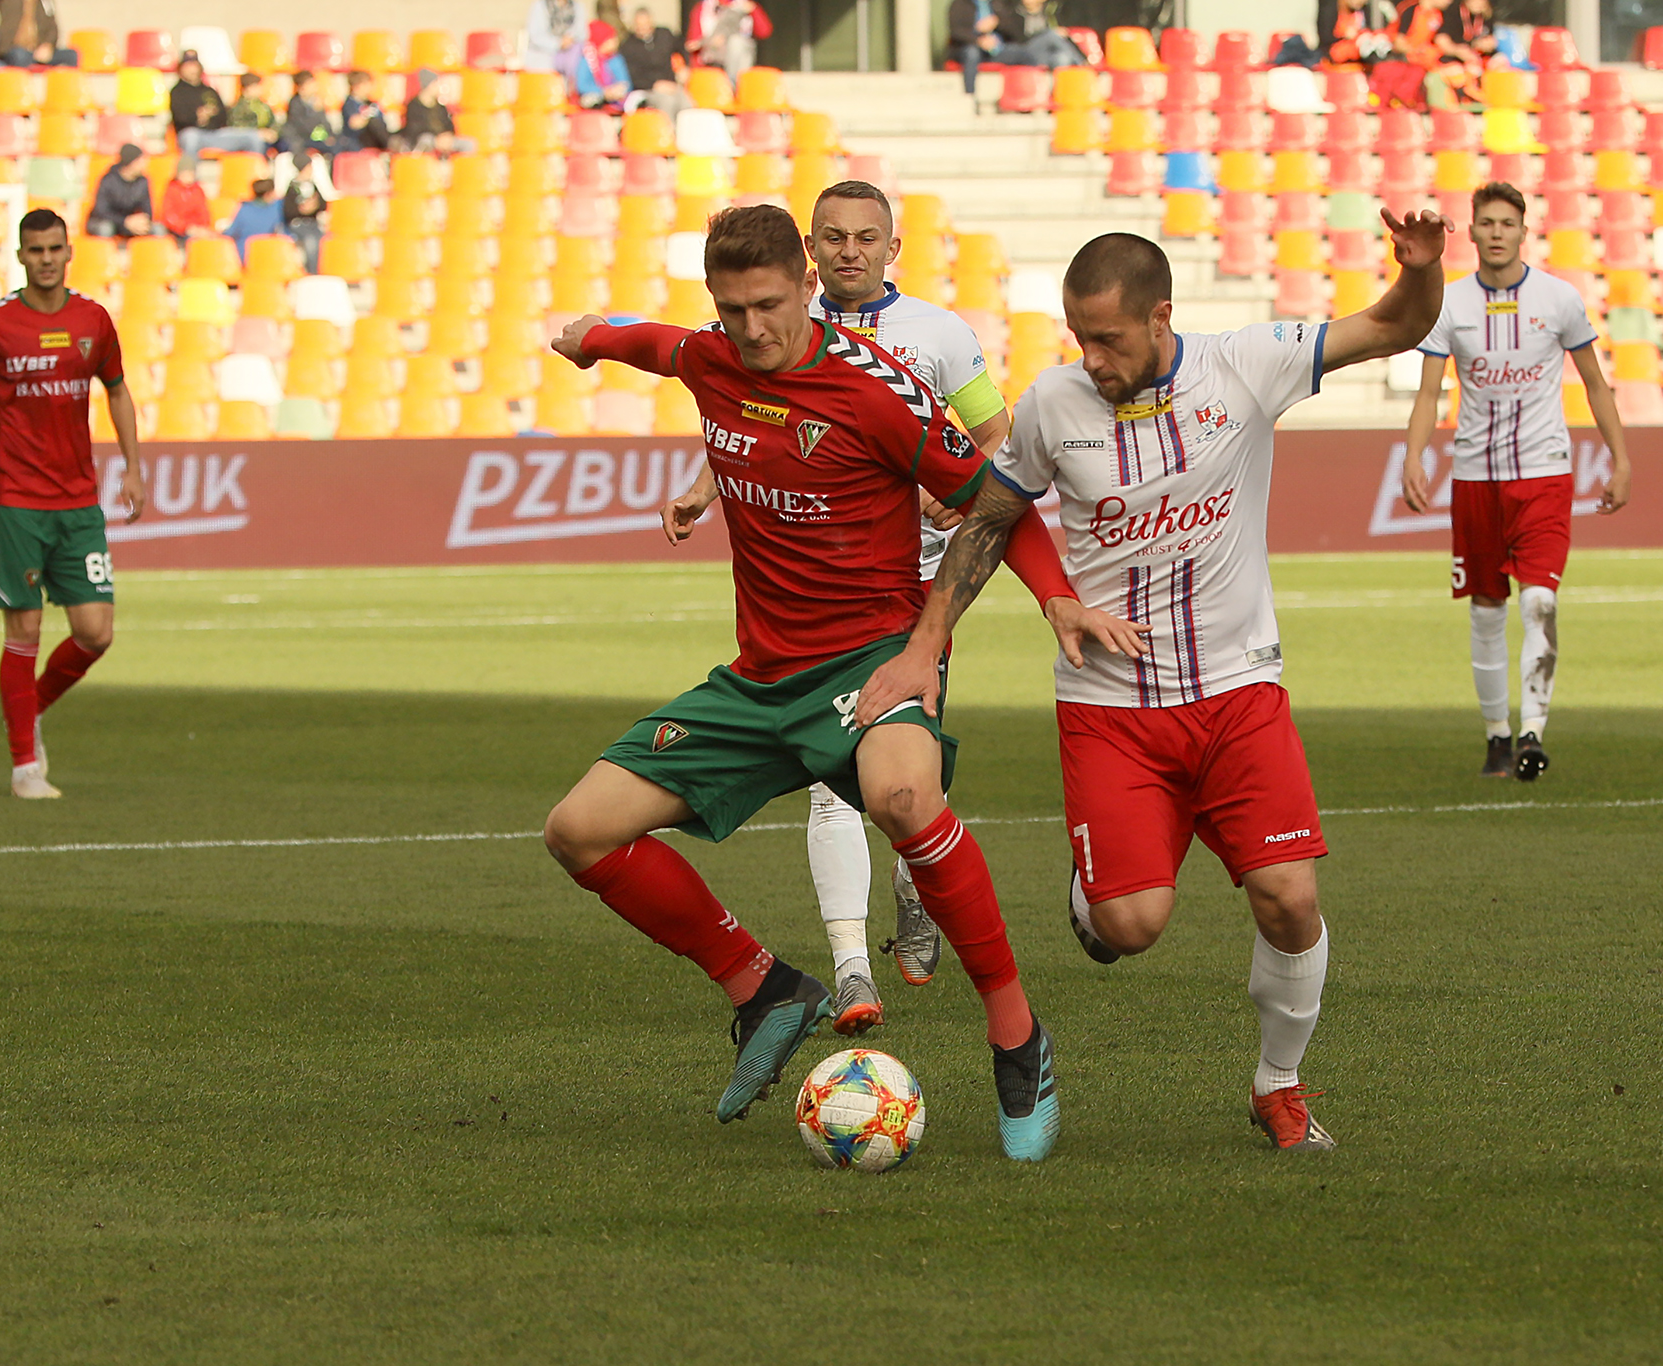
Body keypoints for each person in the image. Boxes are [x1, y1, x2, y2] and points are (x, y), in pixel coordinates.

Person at [853, 211, 1453, 1154]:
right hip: (1110, 710)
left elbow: (1395, 325)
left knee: (1290, 898)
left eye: (1108, 338)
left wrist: (1420, 270)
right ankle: (1097, 890)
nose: (1090, 358)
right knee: (1129, 927)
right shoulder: (1052, 405)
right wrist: (926, 644)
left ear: (1161, 317)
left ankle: (1279, 1085)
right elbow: (990, 518)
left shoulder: (1246, 365)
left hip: (1238, 692)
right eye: (1078, 337)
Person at [543, 204, 1117, 1160]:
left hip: (871, 659)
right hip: (759, 680)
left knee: (903, 798)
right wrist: (593, 340)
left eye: (769, 305)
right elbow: (656, 344)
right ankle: (765, 987)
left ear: (807, 286)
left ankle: (1018, 1039)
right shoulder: (713, 357)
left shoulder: (875, 390)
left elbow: (996, 504)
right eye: (732, 310)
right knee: (578, 830)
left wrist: (1055, 599)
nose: (752, 329)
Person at [658, 180, 1016, 1035]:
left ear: (893, 249)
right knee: (831, 787)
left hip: (915, 595)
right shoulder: (774, 324)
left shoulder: (937, 334)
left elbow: (994, 433)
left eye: (865, 237)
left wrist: (957, 494)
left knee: (902, 791)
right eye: (833, 236)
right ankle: (852, 966)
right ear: (811, 253)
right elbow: (751, 422)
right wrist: (707, 488)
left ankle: (915, 882)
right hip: (813, 599)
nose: (850, 249)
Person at [0, 208, 145, 800]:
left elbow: (117, 391)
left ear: (69, 253)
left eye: (54, 249)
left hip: (78, 503)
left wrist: (133, 468)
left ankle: (27, 708)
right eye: (35, 250)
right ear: (20, 257)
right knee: (25, 627)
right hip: (13, 500)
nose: (46, 260)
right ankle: (24, 769)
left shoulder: (93, 320)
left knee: (96, 632)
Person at [1402, 182, 1631, 781]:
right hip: (1476, 477)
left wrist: (1620, 458)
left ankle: (1532, 732)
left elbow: (1596, 383)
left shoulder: (1558, 299)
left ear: (1524, 232)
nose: (1497, 233)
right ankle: (1496, 737)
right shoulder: (1449, 305)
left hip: (1544, 474)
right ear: (1473, 231)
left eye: (1508, 223)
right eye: (1488, 223)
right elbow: (1428, 394)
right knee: (1485, 610)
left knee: (1539, 601)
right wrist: (1414, 456)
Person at [170, 54, 265, 161]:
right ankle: (189, 171)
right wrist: (199, 116)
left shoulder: (209, 91)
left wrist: (211, 114)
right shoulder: (177, 92)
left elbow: (223, 115)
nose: (192, 69)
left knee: (252, 137)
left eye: (194, 65)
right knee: (191, 137)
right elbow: (180, 118)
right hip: (193, 133)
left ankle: (256, 170)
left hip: (215, 133)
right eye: (188, 66)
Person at [617, 8, 687, 113]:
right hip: (648, 90)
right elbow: (633, 77)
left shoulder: (665, 34)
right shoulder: (627, 46)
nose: (643, 28)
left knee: (686, 103)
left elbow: (682, 47)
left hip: (672, 85)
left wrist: (685, 67)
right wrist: (655, 85)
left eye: (646, 24)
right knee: (668, 102)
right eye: (639, 25)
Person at [687, 0, 771, 84]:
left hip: (740, 62)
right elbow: (693, 45)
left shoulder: (744, 5)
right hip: (712, 62)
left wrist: (753, 10)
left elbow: (764, 32)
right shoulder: (703, 9)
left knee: (737, 42)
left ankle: (736, 84)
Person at [991, 0, 1084, 70]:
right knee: (1050, 34)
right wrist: (1044, 35)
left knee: (1062, 57)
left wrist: (1059, 33)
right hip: (1026, 50)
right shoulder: (1015, 13)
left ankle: (1061, 88)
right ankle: (1082, 63)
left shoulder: (1049, 13)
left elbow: (1063, 39)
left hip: (1044, 54)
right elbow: (1017, 39)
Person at [85, 144, 154, 238]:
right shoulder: (108, 180)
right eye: (140, 161)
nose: (145, 164)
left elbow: (148, 211)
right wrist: (124, 221)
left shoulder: (143, 182)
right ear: (131, 162)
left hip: (130, 223)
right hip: (106, 221)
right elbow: (101, 211)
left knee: (157, 229)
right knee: (106, 229)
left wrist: (140, 221)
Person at [398, 69, 473, 155]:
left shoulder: (440, 107)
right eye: (436, 83)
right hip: (426, 139)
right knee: (426, 140)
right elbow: (414, 130)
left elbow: (449, 125)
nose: (439, 87)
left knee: (469, 144)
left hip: (443, 139)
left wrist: (447, 136)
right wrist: (437, 139)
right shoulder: (413, 106)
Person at [0, 0, 77, 68]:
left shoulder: (45, 2)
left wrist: (48, 45)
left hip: (37, 51)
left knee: (72, 55)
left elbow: (52, 28)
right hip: (13, 49)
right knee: (20, 55)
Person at [523, 0, 592, 86]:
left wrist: (570, 38)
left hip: (570, 61)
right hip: (542, 61)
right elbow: (535, 36)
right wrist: (558, 43)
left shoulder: (577, 7)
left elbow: (582, 33)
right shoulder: (541, 5)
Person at [574, 20, 633, 109]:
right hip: (597, 96)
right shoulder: (587, 60)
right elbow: (582, 85)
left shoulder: (616, 59)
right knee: (589, 100)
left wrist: (617, 90)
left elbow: (625, 81)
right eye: (611, 39)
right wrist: (603, 92)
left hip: (616, 97)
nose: (616, 42)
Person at [281, 160, 328, 272]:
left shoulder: (313, 186)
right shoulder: (292, 188)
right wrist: (302, 210)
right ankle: (313, 272)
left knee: (323, 239)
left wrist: (315, 206)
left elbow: (323, 204)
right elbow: (288, 211)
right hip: (298, 223)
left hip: (313, 223)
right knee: (310, 241)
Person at [947, 0, 1002, 96]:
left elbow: (1013, 28)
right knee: (972, 53)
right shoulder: (960, 4)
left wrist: (997, 21)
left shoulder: (997, 3)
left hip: (995, 48)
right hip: (967, 47)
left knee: (1022, 53)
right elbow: (956, 31)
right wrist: (978, 39)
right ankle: (970, 96)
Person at [277, 70, 334, 157]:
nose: (314, 87)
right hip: (300, 139)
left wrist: (329, 136)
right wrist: (316, 112)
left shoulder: (316, 102)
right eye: (310, 84)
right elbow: (304, 127)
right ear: (301, 87)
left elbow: (325, 124)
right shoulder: (295, 104)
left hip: (315, 138)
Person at [159, 153, 214, 242]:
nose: (188, 177)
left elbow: (203, 211)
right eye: (184, 174)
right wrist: (186, 228)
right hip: (178, 231)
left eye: (190, 173)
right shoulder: (172, 190)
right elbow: (169, 215)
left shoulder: (198, 190)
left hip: (197, 230)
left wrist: (202, 228)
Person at [339, 69, 393, 153]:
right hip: (359, 141)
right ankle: (390, 146)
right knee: (374, 123)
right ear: (356, 86)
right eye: (366, 85)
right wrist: (367, 118)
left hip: (375, 139)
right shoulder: (350, 104)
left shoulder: (371, 103)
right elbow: (355, 123)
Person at [223, 178, 284, 252]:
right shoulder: (277, 207)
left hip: (244, 252)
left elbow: (230, 233)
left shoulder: (244, 209)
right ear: (268, 194)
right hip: (266, 252)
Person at [227, 72, 280, 143]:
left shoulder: (264, 106)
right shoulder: (238, 108)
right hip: (249, 142)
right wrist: (258, 133)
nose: (260, 89)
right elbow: (237, 128)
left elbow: (273, 122)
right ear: (248, 88)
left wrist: (273, 132)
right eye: (257, 86)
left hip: (267, 139)